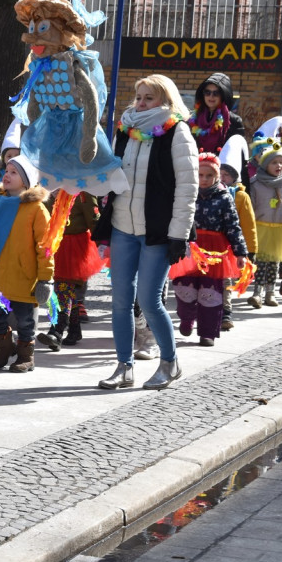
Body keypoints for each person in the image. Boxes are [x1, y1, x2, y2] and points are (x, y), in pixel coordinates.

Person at [93, 75, 198, 391]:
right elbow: (112, 176)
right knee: (121, 300)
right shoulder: (125, 129)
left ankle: (170, 361)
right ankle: (124, 366)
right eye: (138, 97)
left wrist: (178, 234)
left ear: (166, 101)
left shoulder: (177, 133)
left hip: (158, 232)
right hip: (123, 226)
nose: (140, 103)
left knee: (149, 300)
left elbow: (187, 189)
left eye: (148, 98)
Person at [168, 153, 247, 347]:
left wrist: (240, 252)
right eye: (200, 175)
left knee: (211, 291)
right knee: (184, 286)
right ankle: (187, 318)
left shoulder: (224, 197)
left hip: (214, 252)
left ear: (217, 176)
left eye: (209, 176)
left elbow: (233, 226)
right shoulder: (186, 194)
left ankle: (208, 332)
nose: (203, 179)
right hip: (189, 249)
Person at [0, 154, 52, 372]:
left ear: (26, 180)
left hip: (23, 276)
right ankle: (5, 347)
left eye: (14, 172)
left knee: (25, 320)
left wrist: (45, 279)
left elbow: (45, 246)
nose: (7, 175)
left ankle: (26, 355)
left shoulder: (37, 209)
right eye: (6, 170)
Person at [36, 191, 102, 351]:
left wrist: (103, 246)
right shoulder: (47, 191)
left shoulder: (82, 194)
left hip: (75, 247)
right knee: (65, 290)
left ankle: (56, 331)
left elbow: (94, 221)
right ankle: (74, 329)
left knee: (63, 290)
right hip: (56, 246)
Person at [218, 134, 257, 329]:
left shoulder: (241, 196)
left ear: (235, 177)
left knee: (226, 280)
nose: (223, 178)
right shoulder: (209, 193)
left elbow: (248, 225)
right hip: (210, 246)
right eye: (221, 173)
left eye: (227, 174)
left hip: (230, 247)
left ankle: (226, 313)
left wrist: (249, 250)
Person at [247, 121, 282, 308]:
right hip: (260, 227)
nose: (278, 166)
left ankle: (271, 292)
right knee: (260, 262)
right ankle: (257, 292)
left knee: (274, 262)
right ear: (266, 164)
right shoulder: (256, 183)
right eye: (274, 162)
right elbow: (251, 206)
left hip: (278, 228)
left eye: (281, 162)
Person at [189, 73, 245, 155]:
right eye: (207, 92)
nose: (211, 96)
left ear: (223, 96)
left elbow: (238, 151)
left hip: (221, 166)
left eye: (216, 93)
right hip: (196, 165)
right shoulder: (193, 118)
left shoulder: (234, 120)